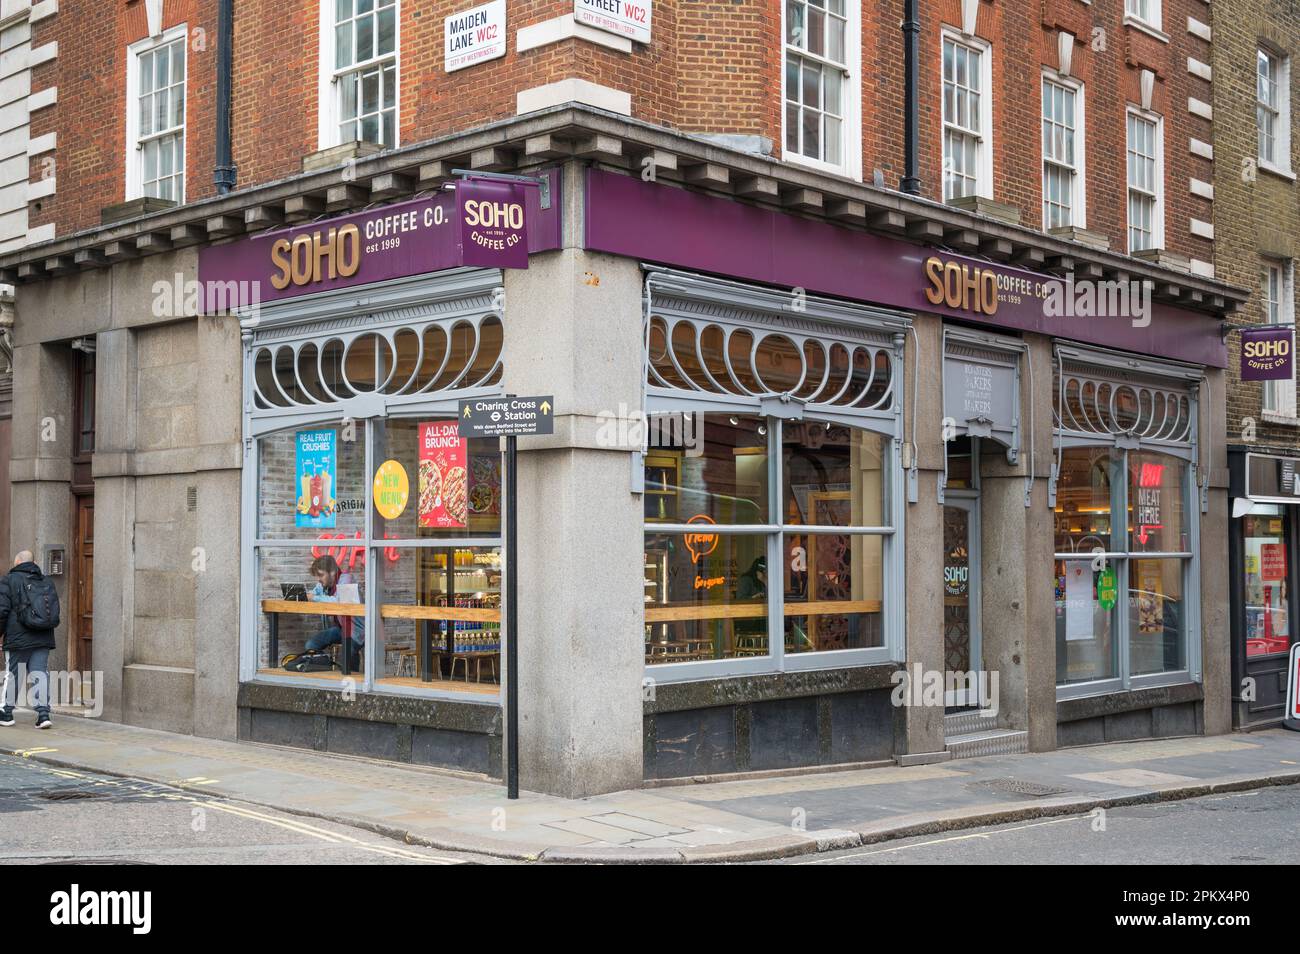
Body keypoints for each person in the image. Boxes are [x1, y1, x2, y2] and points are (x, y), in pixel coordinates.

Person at [0, 550, 60, 729]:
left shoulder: (8, 580)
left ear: (17, 561)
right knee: (40, 673)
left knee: (13, 675)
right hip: (43, 636)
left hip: (18, 637)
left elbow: (2, 611)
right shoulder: (46, 581)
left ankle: (6, 713)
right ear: (33, 562)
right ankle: (43, 714)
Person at [303, 555, 365, 671]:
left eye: (321, 575)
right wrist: (302, 595)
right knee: (311, 645)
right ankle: (326, 674)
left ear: (332, 572)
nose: (318, 579)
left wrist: (314, 598)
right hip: (341, 629)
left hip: (357, 630)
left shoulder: (347, 579)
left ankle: (354, 680)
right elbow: (314, 593)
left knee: (348, 652)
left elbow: (340, 601)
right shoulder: (324, 585)